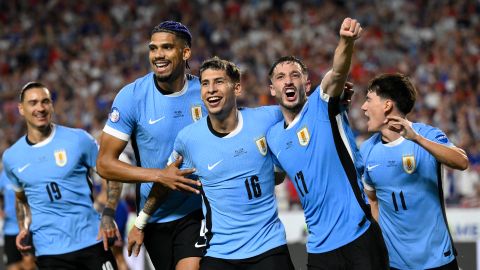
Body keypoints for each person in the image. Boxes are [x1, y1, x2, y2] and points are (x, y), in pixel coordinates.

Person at [131, 56, 294, 270]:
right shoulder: (188, 139)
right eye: (205, 83)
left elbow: (304, 118)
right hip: (219, 253)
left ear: (236, 88)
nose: (211, 89)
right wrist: (141, 222)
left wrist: (337, 102)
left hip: (268, 248)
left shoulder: (268, 118)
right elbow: (165, 180)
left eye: (219, 82)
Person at [266, 18, 389, 269]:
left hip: (359, 235)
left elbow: (338, 72)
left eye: (295, 75)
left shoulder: (321, 104)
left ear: (307, 84)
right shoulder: (273, 137)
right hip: (319, 247)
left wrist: (345, 41)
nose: (288, 81)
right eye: (280, 77)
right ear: (272, 89)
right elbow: (277, 175)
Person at [96, 20, 207, 270]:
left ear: (185, 52)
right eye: (153, 48)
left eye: (167, 47)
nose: (158, 55)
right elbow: (104, 164)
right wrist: (159, 176)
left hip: (198, 211)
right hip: (154, 216)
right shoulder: (132, 96)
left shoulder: (204, 92)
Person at [1, 82, 117, 269]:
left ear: (52, 105)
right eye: (33, 103)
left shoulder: (79, 139)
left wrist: (109, 213)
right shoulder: (12, 157)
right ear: (21, 109)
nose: (40, 108)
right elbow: (21, 199)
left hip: (92, 241)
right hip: (49, 252)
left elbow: (110, 175)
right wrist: (24, 226)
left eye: (45, 101)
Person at [359, 73, 469, 269]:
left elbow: (461, 161)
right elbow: (373, 200)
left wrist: (417, 139)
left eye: (368, 100)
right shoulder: (367, 150)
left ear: (387, 105)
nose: (363, 107)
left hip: (438, 259)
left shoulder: (427, 135)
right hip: (395, 264)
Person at [0, 170, 36, 270]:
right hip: (10, 229)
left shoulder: (27, 172)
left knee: (29, 265)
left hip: (28, 228)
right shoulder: (3, 175)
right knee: (13, 267)